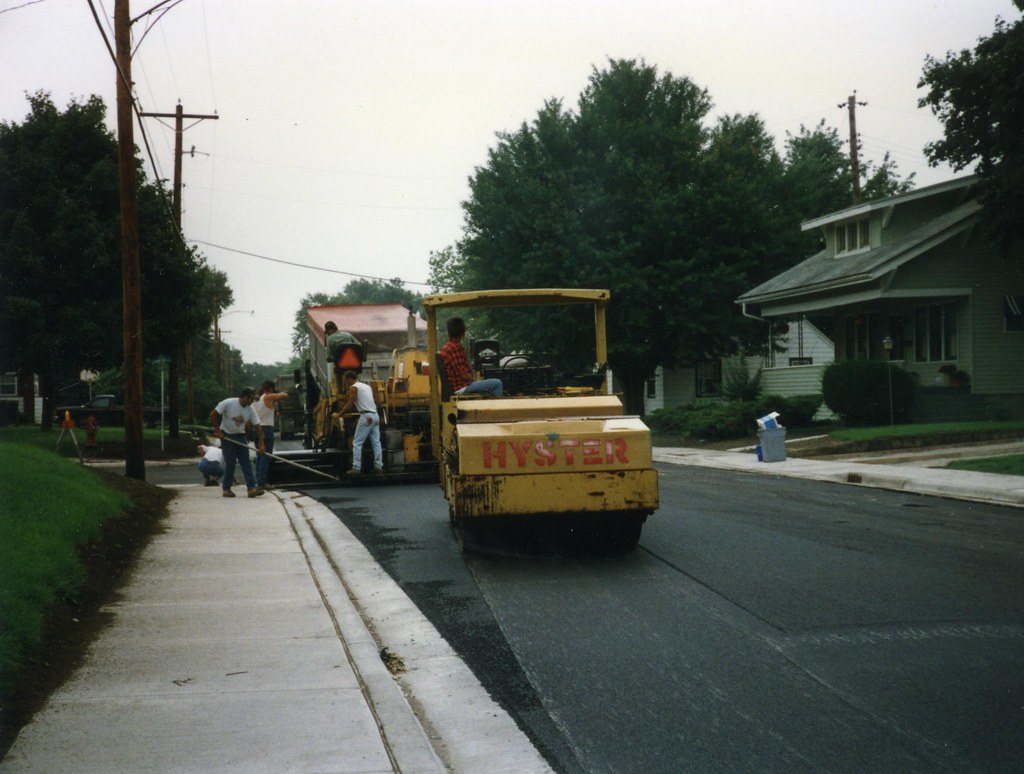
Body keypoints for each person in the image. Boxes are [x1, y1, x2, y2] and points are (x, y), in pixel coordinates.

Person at [210, 387, 266, 498]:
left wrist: (262, 444)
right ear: (245, 397)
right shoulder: (228, 402)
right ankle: (226, 488)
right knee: (230, 463)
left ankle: (251, 488)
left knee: (246, 462)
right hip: (227, 436)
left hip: (240, 436)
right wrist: (218, 431)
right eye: (251, 399)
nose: (252, 402)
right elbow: (213, 414)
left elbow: (258, 427)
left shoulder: (250, 409)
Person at [333, 370, 383, 476]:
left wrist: (338, 415)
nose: (346, 383)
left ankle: (356, 468)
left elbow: (350, 404)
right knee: (376, 442)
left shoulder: (354, 388)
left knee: (357, 443)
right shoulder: (366, 387)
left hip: (366, 416)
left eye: (346, 381)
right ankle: (378, 466)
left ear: (350, 379)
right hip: (375, 415)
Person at [439, 316, 503, 396]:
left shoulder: (447, 346)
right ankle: (496, 408)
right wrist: (476, 380)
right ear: (462, 331)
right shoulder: (455, 347)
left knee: (487, 386)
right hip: (462, 387)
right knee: (497, 383)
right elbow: (463, 374)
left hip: (459, 385)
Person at [253, 380, 290, 489]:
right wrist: (279, 393)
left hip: (257, 428)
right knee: (266, 456)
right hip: (266, 428)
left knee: (259, 456)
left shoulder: (255, 400)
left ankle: (258, 480)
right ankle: (262, 482)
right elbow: (285, 395)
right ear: (270, 389)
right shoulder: (267, 397)